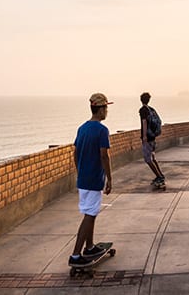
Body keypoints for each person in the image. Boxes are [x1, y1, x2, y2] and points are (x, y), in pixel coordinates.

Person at [70, 93, 113, 268]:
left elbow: (75, 152)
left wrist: (80, 171)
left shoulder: (82, 128)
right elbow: (104, 155)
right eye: (106, 108)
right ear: (101, 109)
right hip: (94, 179)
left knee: (91, 213)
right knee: (89, 215)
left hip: (83, 179)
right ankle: (75, 255)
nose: (107, 111)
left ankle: (89, 247)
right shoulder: (102, 130)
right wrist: (109, 179)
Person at [139, 93, 166, 188]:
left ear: (141, 100)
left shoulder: (143, 110)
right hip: (153, 137)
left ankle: (159, 177)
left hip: (148, 138)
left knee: (147, 159)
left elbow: (144, 122)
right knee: (153, 158)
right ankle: (160, 175)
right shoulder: (152, 109)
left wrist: (144, 136)